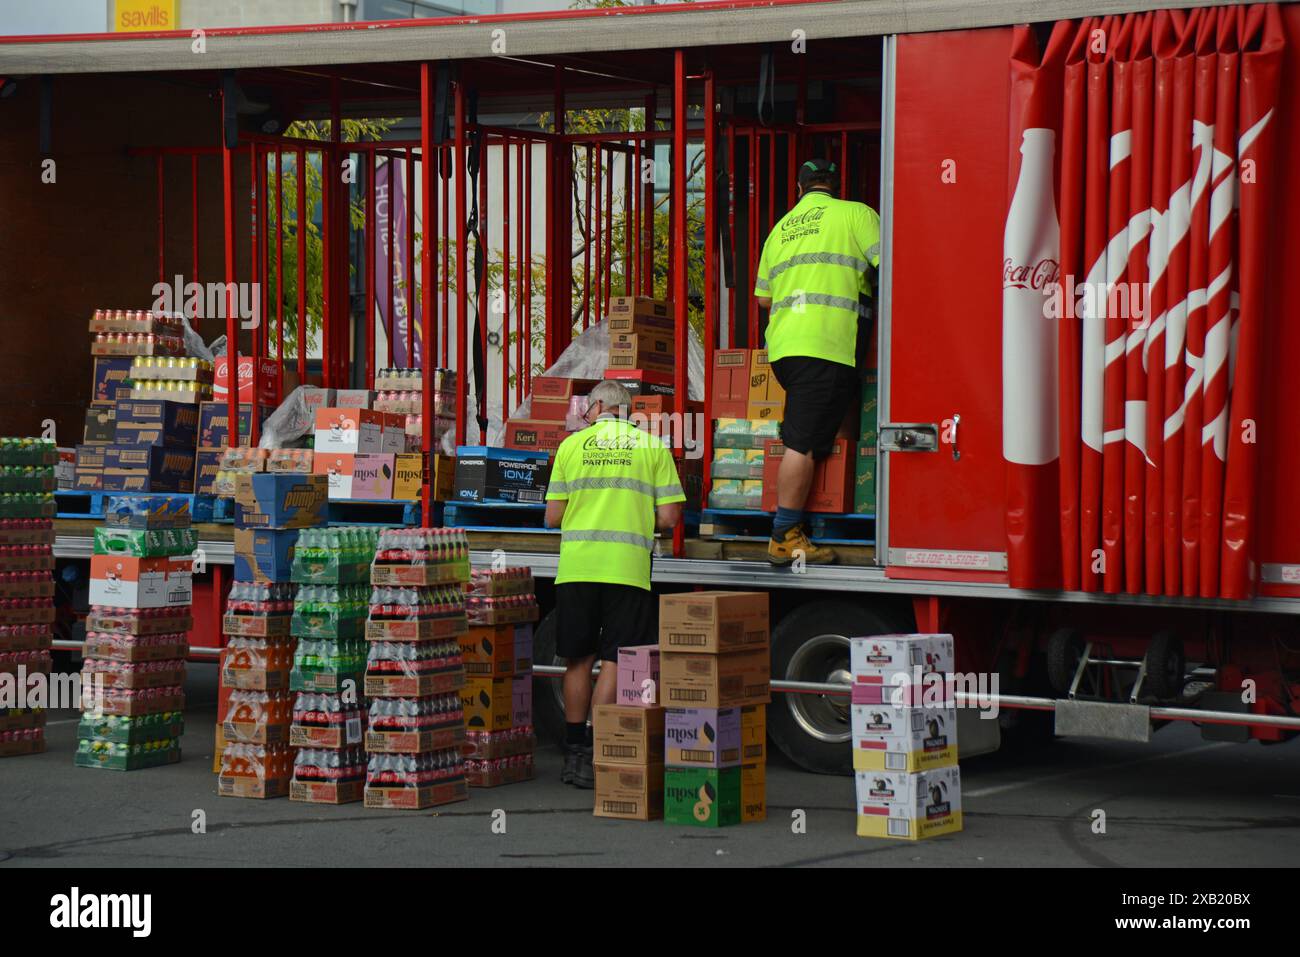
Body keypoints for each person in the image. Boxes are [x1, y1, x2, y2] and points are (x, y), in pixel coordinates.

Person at [544, 380, 685, 788]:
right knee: (617, 660)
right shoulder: (652, 447)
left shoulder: (572, 447)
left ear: (600, 405)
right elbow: (670, 519)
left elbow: (553, 516)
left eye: (587, 408)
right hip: (627, 569)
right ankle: (595, 746)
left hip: (578, 568)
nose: (585, 414)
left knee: (577, 660)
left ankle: (573, 754)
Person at [753, 158, 880, 566]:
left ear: (799, 186)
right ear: (834, 183)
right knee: (802, 443)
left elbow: (763, 299)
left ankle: (833, 505)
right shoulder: (855, 214)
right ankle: (784, 535)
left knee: (825, 427)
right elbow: (891, 266)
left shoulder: (779, 230)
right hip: (825, 346)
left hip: (786, 348)